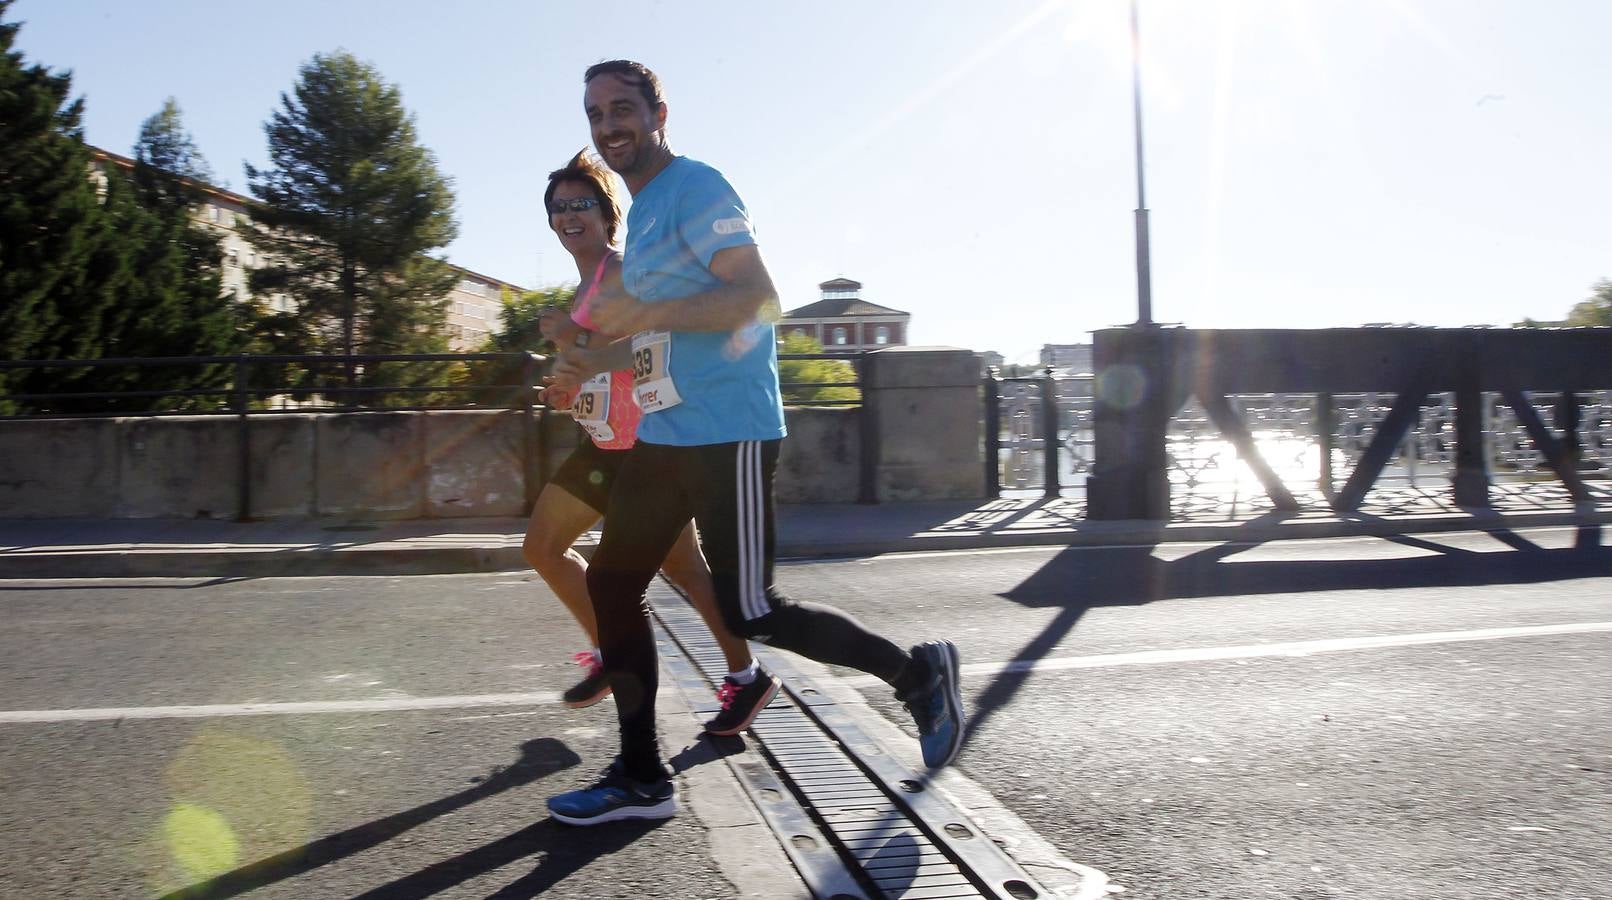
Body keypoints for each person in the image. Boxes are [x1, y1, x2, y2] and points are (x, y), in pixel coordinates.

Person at [544, 61, 963, 827]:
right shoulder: (640, 216)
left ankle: (916, 676)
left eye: (624, 109)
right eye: (597, 113)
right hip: (666, 431)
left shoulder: (698, 187)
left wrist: (640, 313)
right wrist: (589, 365)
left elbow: (755, 298)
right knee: (612, 585)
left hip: (727, 430)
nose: (610, 125)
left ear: (658, 112)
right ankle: (641, 776)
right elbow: (657, 333)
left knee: (751, 610)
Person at [523, 149, 779, 738]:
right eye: (559, 208)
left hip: (644, 441)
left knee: (683, 570)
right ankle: (630, 659)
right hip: (603, 443)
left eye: (581, 203)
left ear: (608, 212)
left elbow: (649, 344)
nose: (569, 215)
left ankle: (742, 676)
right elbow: (597, 366)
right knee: (548, 548)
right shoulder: (586, 285)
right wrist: (567, 382)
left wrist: (576, 345)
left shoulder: (620, 272)